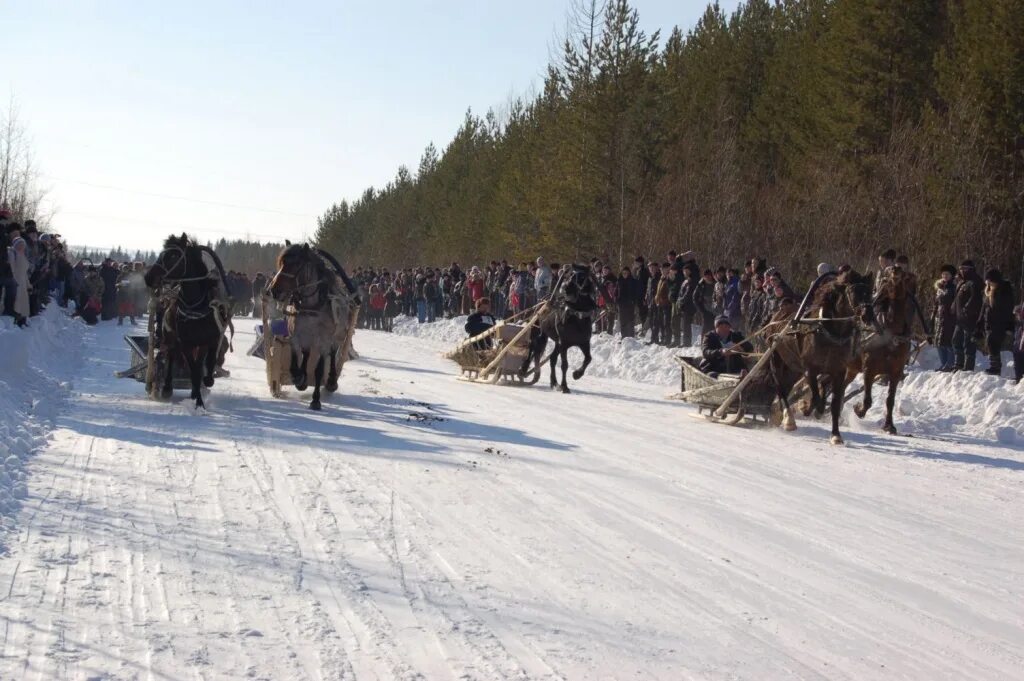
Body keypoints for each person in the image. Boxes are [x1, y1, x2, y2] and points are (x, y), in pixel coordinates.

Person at [980, 268, 1015, 376]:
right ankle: (994, 365)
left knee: (993, 343)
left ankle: (996, 367)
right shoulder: (988, 292)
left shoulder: (1004, 291)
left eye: (990, 281)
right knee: (990, 344)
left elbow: (1008, 309)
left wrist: (1009, 325)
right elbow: (984, 308)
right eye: (987, 282)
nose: (989, 284)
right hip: (989, 321)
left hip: (1000, 322)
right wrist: (980, 321)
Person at [952, 260, 984, 371]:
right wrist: (953, 307)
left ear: (970, 269)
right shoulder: (961, 282)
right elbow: (957, 297)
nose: (962, 270)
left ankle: (968, 367)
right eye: (961, 268)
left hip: (970, 318)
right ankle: (958, 364)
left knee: (968, 344)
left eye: (965, 268)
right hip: (959, 318)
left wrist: (967, 309)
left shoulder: (975, 281)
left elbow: (975, 298)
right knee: (956, 340)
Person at [931, 264, 957, 372]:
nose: (944, 276)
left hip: (950, 317)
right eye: (943, 274)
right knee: (939, 343)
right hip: (939, 317)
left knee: (948, 342)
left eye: (947, 274)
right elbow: (935, 303)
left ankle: (950, 364)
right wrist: (933, 316)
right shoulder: (939, 288)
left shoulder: (954, 288)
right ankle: (944, 363)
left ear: (951, 275)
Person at [9, 236, 32, 319]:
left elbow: (25, 273)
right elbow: (12, 269)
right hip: (16, 281)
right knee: (16, 302)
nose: (21, 246)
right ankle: (15, 318)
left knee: (22, 303)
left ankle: (22, 319)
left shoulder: (23, 256)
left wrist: (28, 285)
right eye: (19, 244)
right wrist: (14, 281)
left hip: (22, 283)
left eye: (23, 245)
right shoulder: (12, 253)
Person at [616, 266, 639, 338]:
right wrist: (617, 300)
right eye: (623, 273)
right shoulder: (619, 281)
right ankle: (624, 336)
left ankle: (631, 336)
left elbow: (636, 292)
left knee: (630, 320)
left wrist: (634, 301)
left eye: (626, 273)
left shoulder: (633, 281)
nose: (625, 274)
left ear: (629, 273)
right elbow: (616, 292)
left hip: (630, 304)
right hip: (621, 304)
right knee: (623, 321)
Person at [1013, 304, 1024, 384]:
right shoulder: (1018, 325)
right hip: (1018, 344)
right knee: (1018, 361)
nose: (1017, 316)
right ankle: (1018, 379)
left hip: (1021, 345)